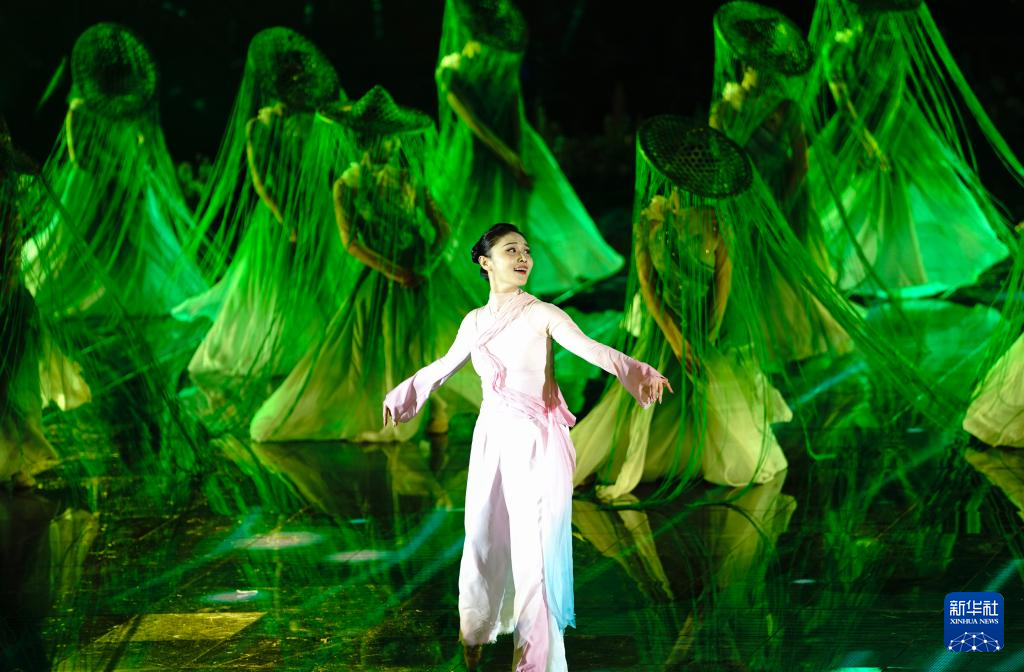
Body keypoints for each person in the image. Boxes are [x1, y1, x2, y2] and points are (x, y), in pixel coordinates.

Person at [381, 223, 671, 671]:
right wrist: (403, 395)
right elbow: (445, 365)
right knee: (483, 540)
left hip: (536, 445)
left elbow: (592, 349)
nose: (523, 258)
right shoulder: (474, 322)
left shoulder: (542, 314)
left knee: (534, 553)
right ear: (485, 262)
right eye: (510, 250)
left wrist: (639, 371)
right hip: (491, 441)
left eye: (526, 251)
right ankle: (474, 635)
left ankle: (534, 662)